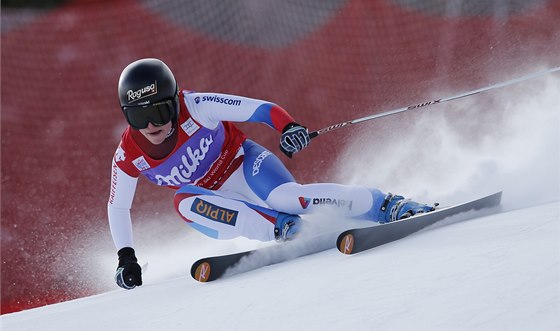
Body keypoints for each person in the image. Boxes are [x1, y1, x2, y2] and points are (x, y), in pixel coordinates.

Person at [108, 58, 434, 289]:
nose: (152, 124)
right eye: (140, 116)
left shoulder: (196, 105)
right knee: (183, 202)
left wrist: (288, 126)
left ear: (175, 102)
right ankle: (284, 229)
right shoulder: (128, 154)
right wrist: (126, 257)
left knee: (287, 198)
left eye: (160, 111)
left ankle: (385, 204)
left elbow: (262, 109)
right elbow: (118, 207)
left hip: (245, 165)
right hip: (219, 206)